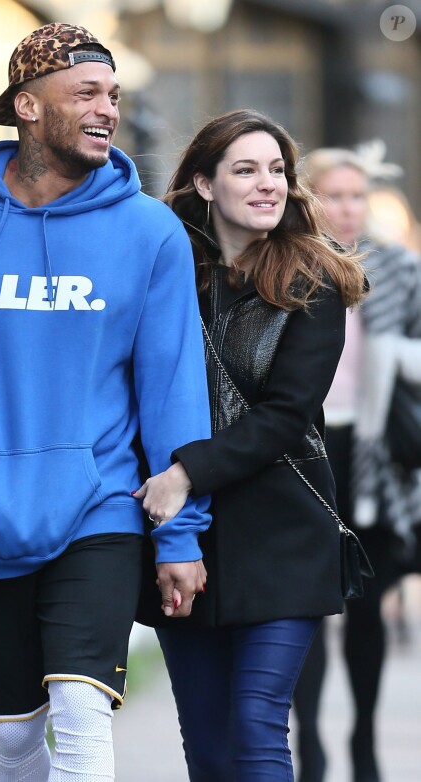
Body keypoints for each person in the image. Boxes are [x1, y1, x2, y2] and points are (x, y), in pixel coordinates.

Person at [0, 22, 212, 782]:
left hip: (101, 508)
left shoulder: (149, 232)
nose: (107, 109)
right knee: (13, 740)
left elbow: (171, 390)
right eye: (85, 92)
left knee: (82, 716)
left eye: (114, 95)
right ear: (26, 105)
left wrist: (180, 534)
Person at [133, 109, 366, 782]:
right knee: (208, 749)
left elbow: (286, 416)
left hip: (283, 535)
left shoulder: (313, 282)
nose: (269, 185)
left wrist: (186, 473)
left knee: (258, 730)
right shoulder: (166, 275)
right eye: (245, 170)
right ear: (204, 184)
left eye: (278, 171)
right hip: (185, 544)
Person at [292, 147, 421, 782]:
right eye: (332, 195)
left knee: (369, 607)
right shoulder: (285, 263)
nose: (345, 208)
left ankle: (366, 744)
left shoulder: (397, 267)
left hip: (372, 458)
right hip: (304, 449)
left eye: (356, 196)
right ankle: (308, 747)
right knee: (304, 606)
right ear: (309, 197)